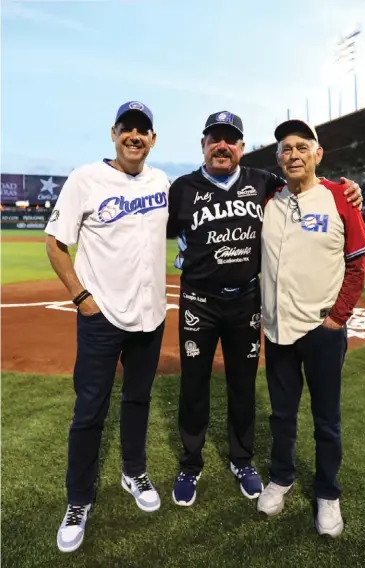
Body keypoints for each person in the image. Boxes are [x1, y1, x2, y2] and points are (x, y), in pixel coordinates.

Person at [166, 110, 363, 507]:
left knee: (243, 386)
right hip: (198, 303)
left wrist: (350, 189)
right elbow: (157, 230)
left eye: (231, 140)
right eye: (214, 139)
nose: (222, 146)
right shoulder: (182, 188)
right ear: (203, 145)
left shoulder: (264, 184)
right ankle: (190, 464)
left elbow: (308, 183)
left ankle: (243, 460)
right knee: (193, 385)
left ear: (241, 147)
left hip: (245, 302)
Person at [45, 101, 170, 553]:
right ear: (113, 134)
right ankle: (78, 499)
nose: (135, 136)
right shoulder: (85, 179)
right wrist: (82, 298)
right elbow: (56, 243)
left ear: (153, 139)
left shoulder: (162, 181)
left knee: (137, 399)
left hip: (150, 315)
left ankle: (133, 471)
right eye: (127, 129)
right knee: (89, 411)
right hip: (101, 319)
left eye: (143, 130)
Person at [257, 119, 365, 537]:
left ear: (317, 154)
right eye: (286, 148)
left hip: (321, 330)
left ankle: (328, 493)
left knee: (326, 420)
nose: (293, 154)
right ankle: (282, 478)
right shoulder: (269, 200)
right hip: (277, 329)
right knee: (282, 415)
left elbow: (358, 264)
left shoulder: (341, 197)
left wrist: (337, 317)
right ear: (278, 158)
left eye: (302, 147)